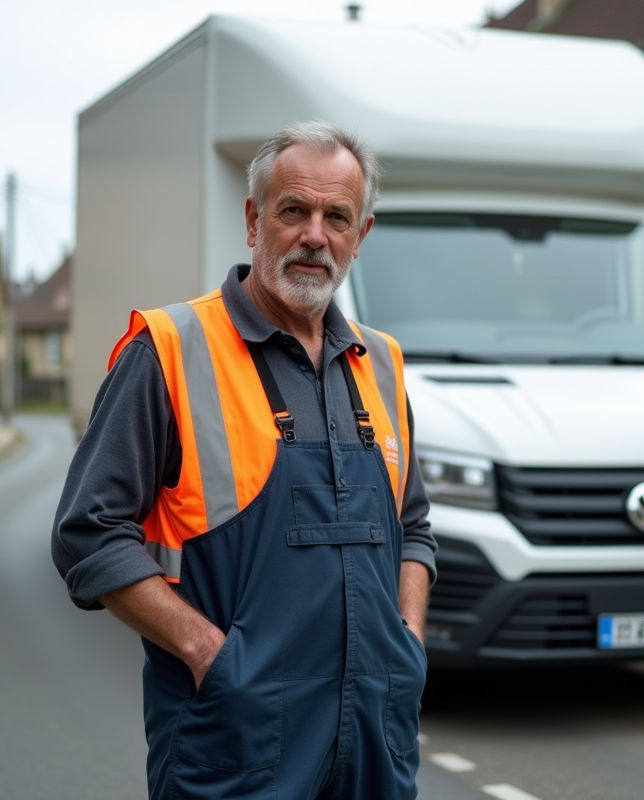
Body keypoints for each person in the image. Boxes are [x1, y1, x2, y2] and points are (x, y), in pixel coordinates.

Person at [52, 121, 435, 799]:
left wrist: (407, 641)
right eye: (294, 210)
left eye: (336, 217)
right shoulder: (171, 349)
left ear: (361, 235)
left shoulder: (381, 361)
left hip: (375, 739)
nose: (314, 235)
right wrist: (208, 654)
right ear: (255, 220)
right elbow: (89, 532)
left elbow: (414, 525)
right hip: (238, 741)